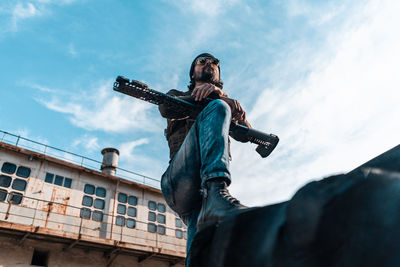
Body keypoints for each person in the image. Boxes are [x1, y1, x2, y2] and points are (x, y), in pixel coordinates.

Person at [159, 53, 251, 256]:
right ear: (193, 74)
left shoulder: (224, 104)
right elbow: (165, 106)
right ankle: (217, 190)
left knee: (201, 244)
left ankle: (214, 197)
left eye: (215, 62)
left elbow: (245, 135)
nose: (209, 63)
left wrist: (233, 109)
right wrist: (211, 98)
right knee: (217, 107)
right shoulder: (177, 95)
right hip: (178, 181)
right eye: (202, 61)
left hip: (201, 192)